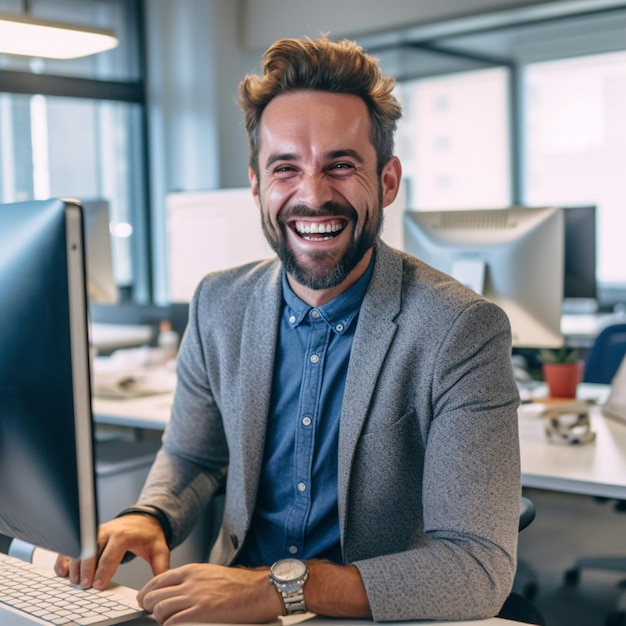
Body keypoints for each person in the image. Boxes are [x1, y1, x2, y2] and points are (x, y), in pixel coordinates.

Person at [55, 35, 521, 625]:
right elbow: (194, 453)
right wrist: (150, 514)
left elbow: (476, 568)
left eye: (342, 165)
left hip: (368, 613)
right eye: (286, 169)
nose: (313, 195)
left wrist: (276, 590)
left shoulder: (461, 330)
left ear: (388, 181)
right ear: (256, 184)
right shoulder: (219, 303)